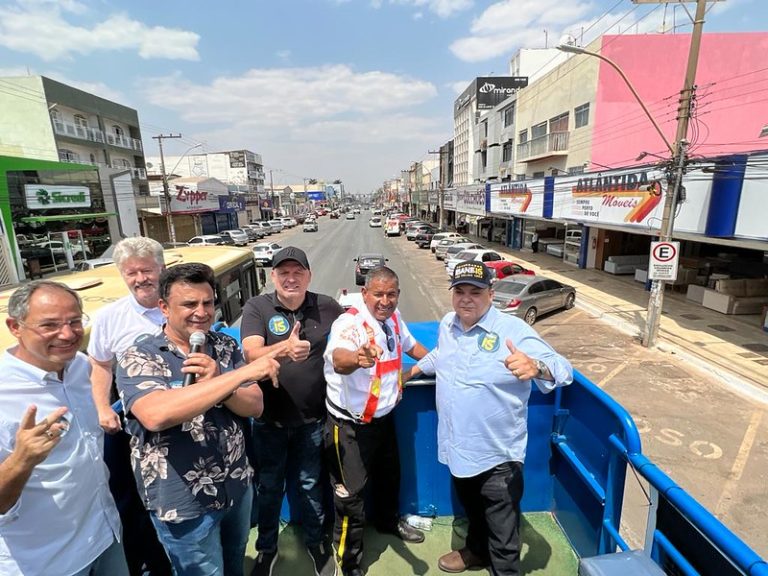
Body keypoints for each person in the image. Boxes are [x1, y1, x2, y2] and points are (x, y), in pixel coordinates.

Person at [115, 263, 280, 576]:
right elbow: (156, 414)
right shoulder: (141, 356)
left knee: (234, 562)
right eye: (189, 304)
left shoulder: (224, 346)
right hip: (183, 502)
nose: (201, 312)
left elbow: (255, 405)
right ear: (163, 307)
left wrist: (219, 379)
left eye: (208, 302)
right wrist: (240, 376)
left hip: (235, 486)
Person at [409, 262, 573, 575]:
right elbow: (441, 354)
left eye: (476, 291)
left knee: (503, 535)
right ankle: (476, 552)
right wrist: (412, 371)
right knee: (473, 511)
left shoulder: (513, 331)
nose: (466, 299)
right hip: (458, 447)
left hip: (498, 457)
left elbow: (563, 368)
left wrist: (537, 367)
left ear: (491, 294)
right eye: (460, 291)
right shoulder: (448, 324)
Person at [0, 280, 128, 576]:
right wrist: (22, 460)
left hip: (106, 536)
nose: (68, 334)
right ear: (15, 326)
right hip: (47, 562)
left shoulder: (79, 367)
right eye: (49, 325)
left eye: (74, 321)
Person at [240, 247, 343, 576]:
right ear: (273, 277)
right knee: (269, 487)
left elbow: (351, 340)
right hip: (268, 421)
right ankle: (267, 550)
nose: (291, 278)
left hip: (313, 421)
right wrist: (284, 348)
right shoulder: (258, 307)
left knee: (311, 484)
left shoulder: (328, 307)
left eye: (298, 272)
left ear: (309, 276)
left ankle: (316, 543)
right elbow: (251, 354)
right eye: (283, 272)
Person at [323, 266, 430, 576]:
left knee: (389, 478)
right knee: (351, 496)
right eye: (378, 294)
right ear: (365, 294)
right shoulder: (350, 323)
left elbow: (413, 347)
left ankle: (386, 522)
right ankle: (349, 559)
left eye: (392, 294)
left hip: (384, 420)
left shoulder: (394, 320)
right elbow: (339, 358)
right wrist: (358, 357)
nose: (385, 300)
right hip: (349, 428)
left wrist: (442, 361)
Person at [87, 236, 171, 576]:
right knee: (129, 499)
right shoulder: (110, 317)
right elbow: (100, 366)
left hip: (180, 418)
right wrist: (102, 409)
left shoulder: (179, 306)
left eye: (147, 270)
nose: (140, 279)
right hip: (131, 425)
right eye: (131, 273)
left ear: (162, 269)